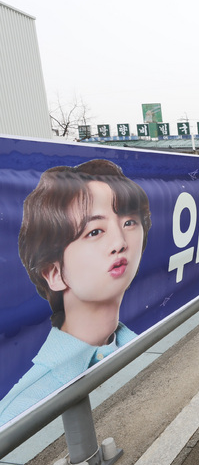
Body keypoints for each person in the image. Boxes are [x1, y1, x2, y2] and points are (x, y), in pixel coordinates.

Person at [0, 159, 152, 425]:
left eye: (129, 223)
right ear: (53, 273)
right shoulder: (20, 410)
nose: (119, 243)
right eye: (94, 231)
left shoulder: (140, 344)